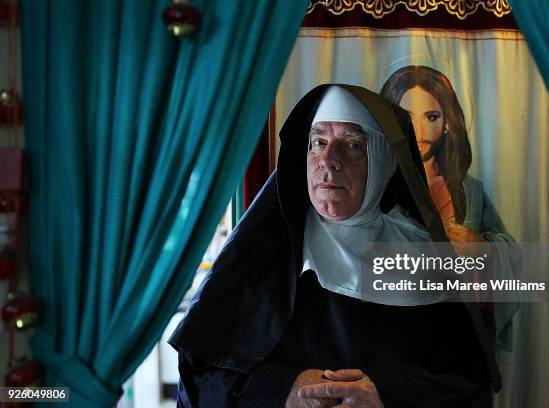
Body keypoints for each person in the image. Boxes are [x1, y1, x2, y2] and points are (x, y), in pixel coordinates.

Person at [169, 84, 501, 407]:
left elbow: (469, 388)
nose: (329, 160)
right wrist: (285, 391)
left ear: (385, 159)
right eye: (318, 142)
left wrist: (385, 394)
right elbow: (199, 379)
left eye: (353, 144)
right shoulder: (261, 257)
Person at [381, 65, 519, 350]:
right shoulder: (375, 186)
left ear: (446, 122)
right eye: (405, 117)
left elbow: (514, 254)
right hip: (395, 330)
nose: (418, 131)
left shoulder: (469, 190)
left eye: (431, 117)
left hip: (458, 333)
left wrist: (483, 248)